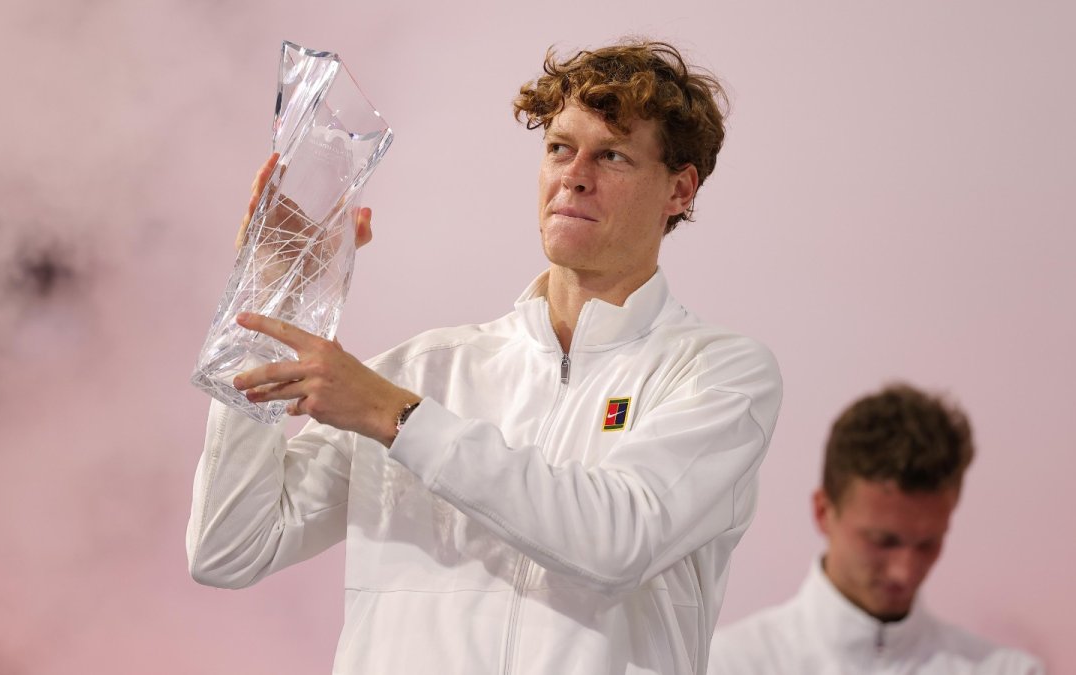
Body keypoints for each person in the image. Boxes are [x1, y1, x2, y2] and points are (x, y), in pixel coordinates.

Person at [187, 40, 783, 675]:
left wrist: (398, 417)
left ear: (680, 189)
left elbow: (616, 541)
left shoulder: (719, 372)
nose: (575, 175)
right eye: (560, 148)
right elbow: (230, 548)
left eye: (612, 155)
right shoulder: (423, 369)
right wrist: (276, 292)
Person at [709, 383, 1044, 674]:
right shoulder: (726, 666)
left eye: (928, 543)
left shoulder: (1007, 670)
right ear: (824, 511)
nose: (905, 572)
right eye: (883, 541)